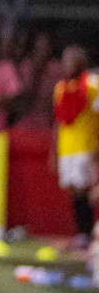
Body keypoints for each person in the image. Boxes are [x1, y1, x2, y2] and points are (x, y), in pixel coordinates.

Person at [51, 46, 97, 249]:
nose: (66, 64)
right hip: (67, 148)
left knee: (84, 190)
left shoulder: (92, 86)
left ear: (81, 63)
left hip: (85, 145)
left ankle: (86, 234)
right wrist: (54, 150)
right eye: (64, 60)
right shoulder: (61, 87)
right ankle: (82, 233)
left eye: (70, 60)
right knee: (73, 190)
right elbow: (58, 120)